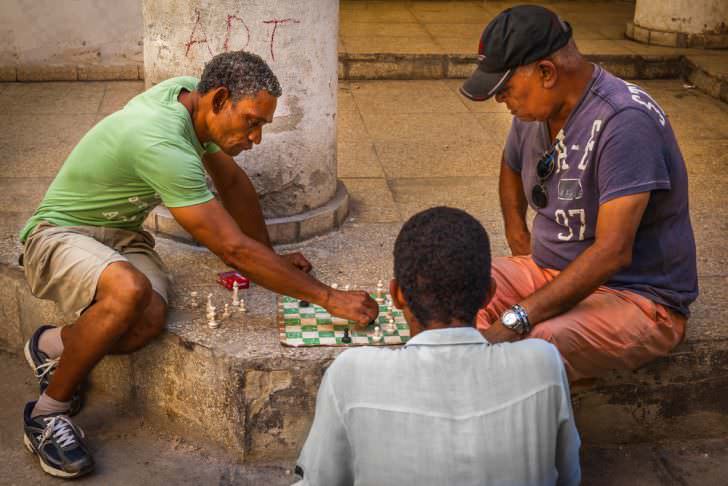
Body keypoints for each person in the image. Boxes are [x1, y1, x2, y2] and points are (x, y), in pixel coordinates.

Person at [18, 50, 378, 479]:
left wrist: (270, 257)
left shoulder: (191, 98)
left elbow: (231, 181)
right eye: (252, 122)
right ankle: (46, 413)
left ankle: (51, 345)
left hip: (121, 237)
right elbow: (233, 250)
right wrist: (329, 299)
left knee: (148, 319)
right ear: (220, 98)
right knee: (129, 290)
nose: (256, 138)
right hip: (59, 234)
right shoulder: (161, 141)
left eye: (262, 125)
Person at [459, 5, 697, 382]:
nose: (500, 100)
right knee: (450, 288)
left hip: (635, 296)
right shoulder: (534, 111)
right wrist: (519, 239)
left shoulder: (625, 122)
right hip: (549, 269)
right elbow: (511, 165)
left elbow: (613, 252)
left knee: (535, 346)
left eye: (505, 89)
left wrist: (517, 317)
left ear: (546, 72)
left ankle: (516, 434)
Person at [295, 207, 580, 486]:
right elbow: (568, 476)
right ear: (489, 294)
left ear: (397, 296)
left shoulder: (351, 373)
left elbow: (321, 479)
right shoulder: (543, 364)